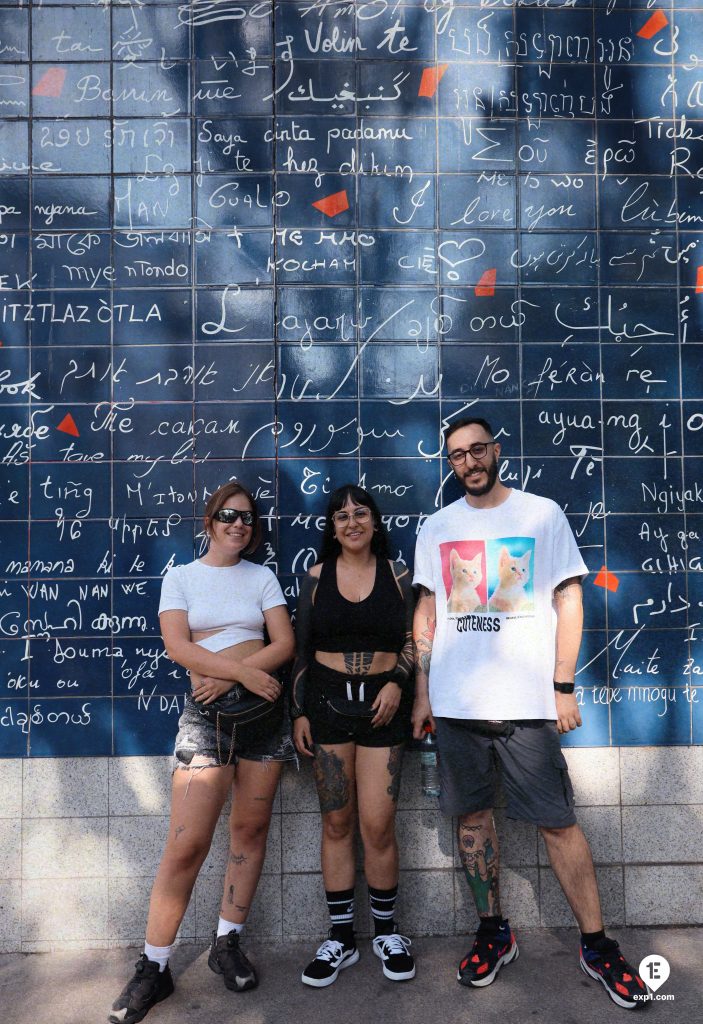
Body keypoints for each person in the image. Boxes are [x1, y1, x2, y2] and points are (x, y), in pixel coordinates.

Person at [411, 417, 649, 1010]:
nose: (468, 461)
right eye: (456, 455)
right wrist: (422, 693)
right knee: (471, 821)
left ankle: (597, 945)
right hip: (456, 706)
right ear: (450, 464)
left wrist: (563, 684)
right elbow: (427, 613)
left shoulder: (541, 515)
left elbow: (570, 598)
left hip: (528, 707)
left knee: (558, 823)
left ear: (497, 450)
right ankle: (494, 933)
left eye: (477, 449)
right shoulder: (436, 528)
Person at [109, 482, 295, 1024]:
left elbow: (284, 643)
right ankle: (155, 966)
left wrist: (239, 671)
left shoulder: (262, 577)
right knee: (186, 845)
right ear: (210, 521)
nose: (240, 525)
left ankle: (227, 943)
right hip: (209, 721)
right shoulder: (181, 577)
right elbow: (177, 646)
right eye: (229, 516)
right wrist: (239, 670)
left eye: (248, 519)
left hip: (264, 719)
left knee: (250, 833)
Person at [291, 484, 416, 987]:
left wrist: (398, 681)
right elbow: (300, 650)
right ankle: (341, 937)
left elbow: (414, 638)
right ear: (332, 527)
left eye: (360, 513)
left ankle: (387, 932)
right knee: (337, 823)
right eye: (341, 516)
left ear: (374, 521)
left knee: (378, 825)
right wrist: (298, 712)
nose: (351, 522)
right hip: (326, 707)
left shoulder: (399, 575)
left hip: (386, 710)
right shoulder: (316, 578)